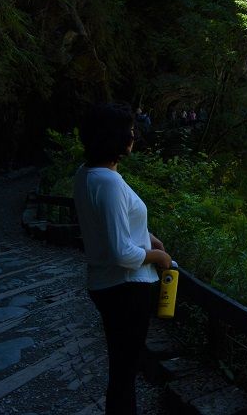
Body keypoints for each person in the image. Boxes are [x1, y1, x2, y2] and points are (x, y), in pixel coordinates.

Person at [74, 103, 172, 414]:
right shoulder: (109, 183)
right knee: (124, 373)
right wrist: (160, 255)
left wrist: (149, 236)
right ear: (114, 137)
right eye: (129, 130)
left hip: (105, 286)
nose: (133, 135)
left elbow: (115, 227)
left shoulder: (87, 173)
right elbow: (122, 253)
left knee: (121, 367)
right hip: (125, 289)